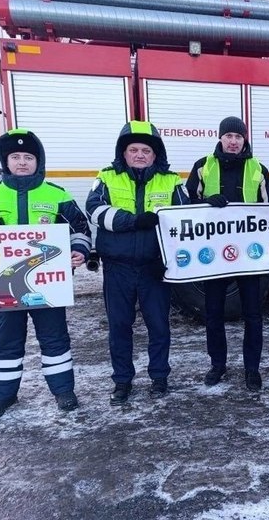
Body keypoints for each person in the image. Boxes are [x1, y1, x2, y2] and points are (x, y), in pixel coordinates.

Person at [0, 128, 91, 422]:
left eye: (28, 156)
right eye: (15, 157)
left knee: (55, 338)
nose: (21, 162)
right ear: (6, 161)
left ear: (37, 160)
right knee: (5, 341)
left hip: (48, 286)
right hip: (2, 286)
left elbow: (80, 228)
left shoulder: (57, 195)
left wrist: (80, 250)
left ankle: (63, 391)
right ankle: (2, 396)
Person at [87, 120, 189, 405]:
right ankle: (122, 382)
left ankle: (159, 377)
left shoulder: (171, 180)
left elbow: (184, 219)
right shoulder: (106, 177)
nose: (141, 154)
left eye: (146, 150)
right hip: (117, 267)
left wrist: (165, 257)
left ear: (156, 154)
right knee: (119, 327)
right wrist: (132, 221)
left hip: (154, 267)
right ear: (124, 152)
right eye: (134, 149)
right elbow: (94, 210)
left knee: (159, 326)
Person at [186, 116, 269, 392]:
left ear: (244, 139)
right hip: (214, 257)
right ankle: (218, 365)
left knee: (253, 315)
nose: (233, 142)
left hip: (249, 255)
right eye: (229, 136)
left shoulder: (258, 169)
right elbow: (185, 205)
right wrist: (205, 203)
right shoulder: (203, 167)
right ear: (220, 138)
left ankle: (252, 369)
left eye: (238, 137)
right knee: (213, 313)